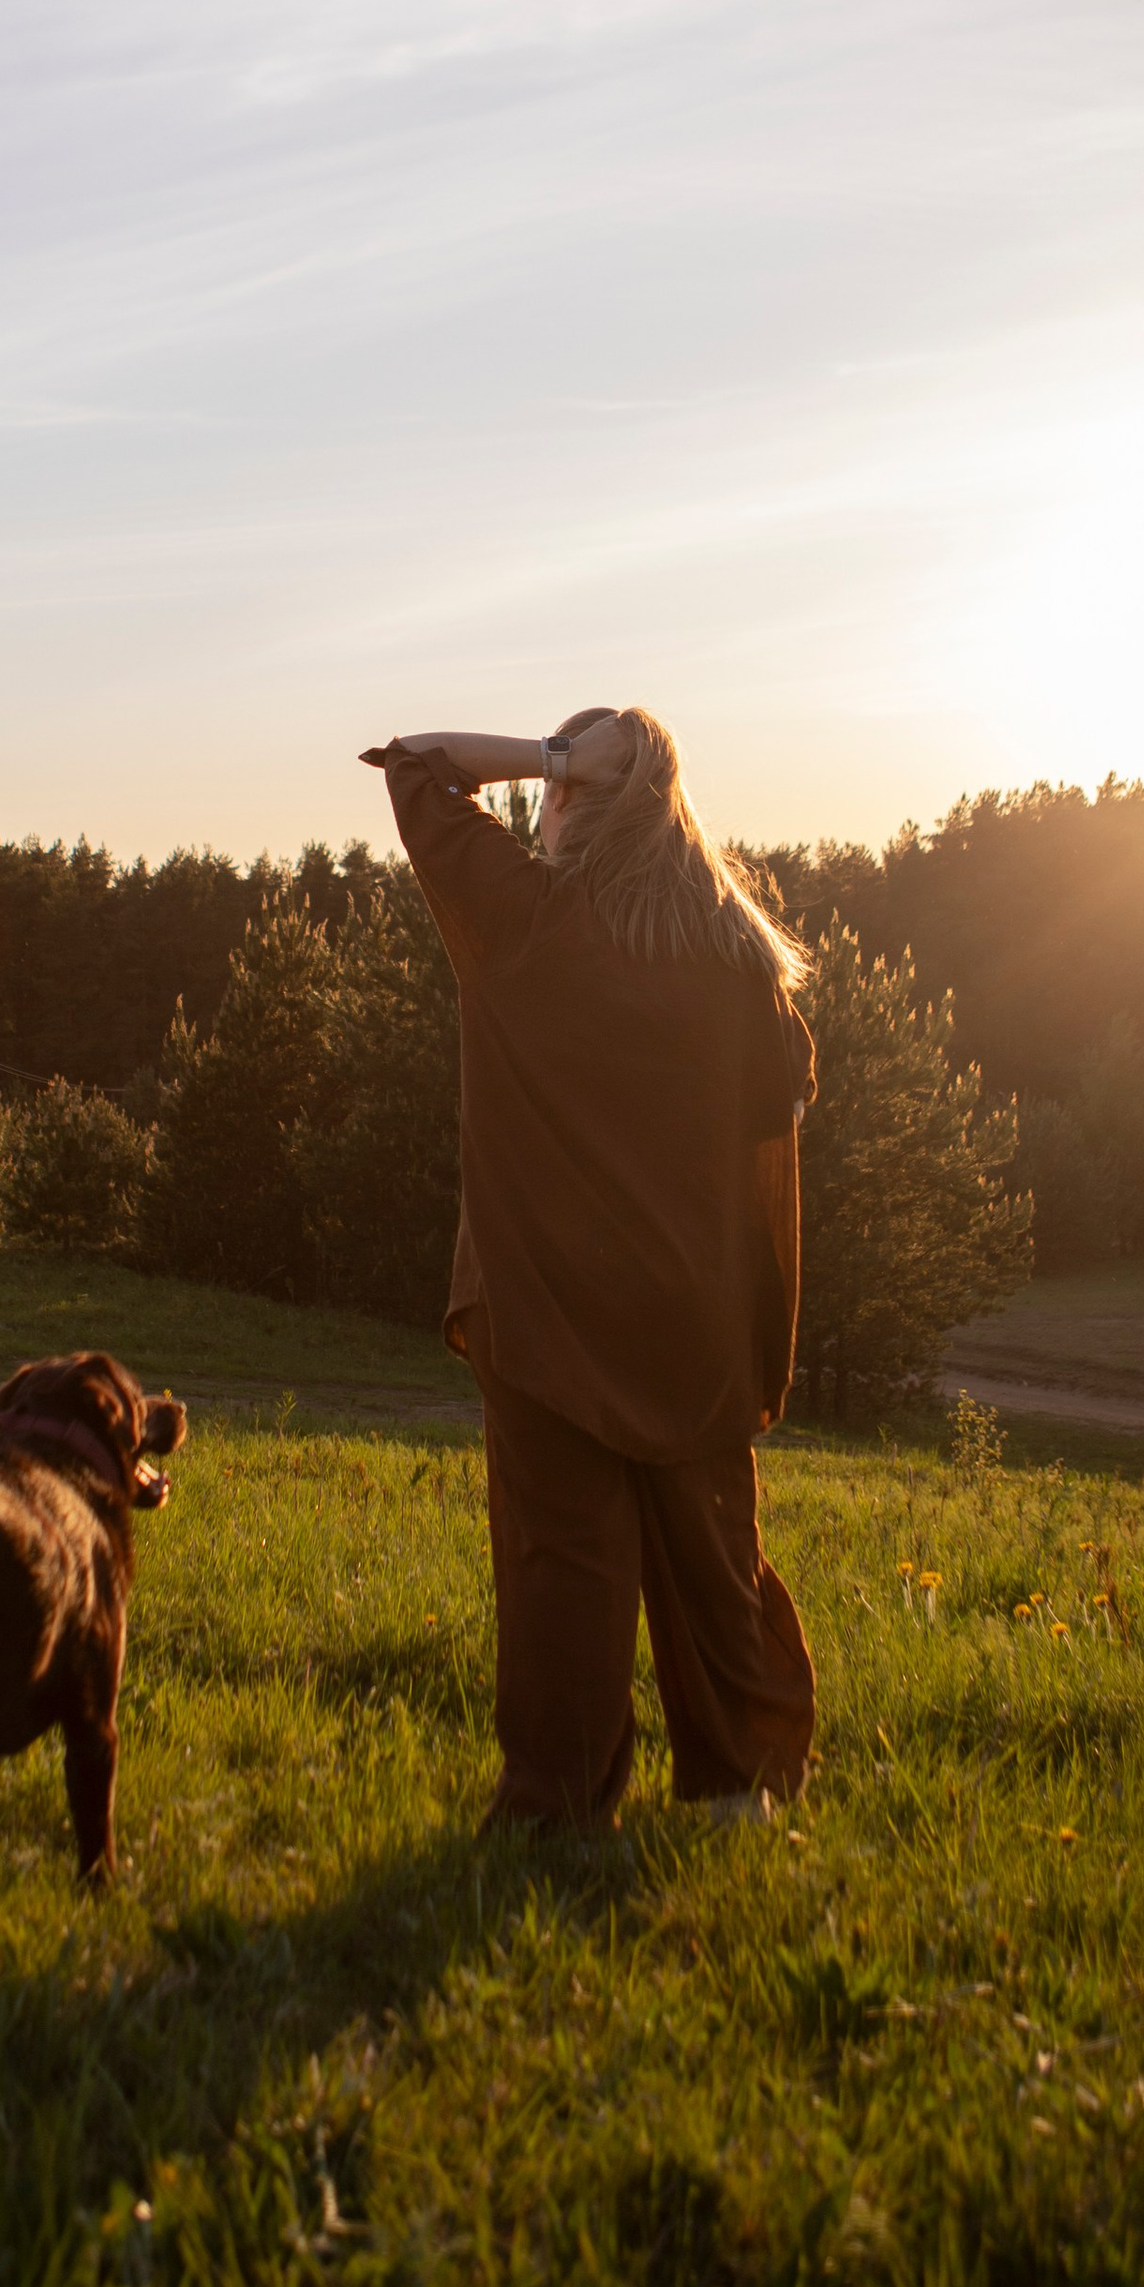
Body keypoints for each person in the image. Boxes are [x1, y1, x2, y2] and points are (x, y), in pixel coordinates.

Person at [361, 709, 818, 1830]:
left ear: (566, 800)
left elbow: (417, 763)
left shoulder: (524, 923)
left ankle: (559, 1809)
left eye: (556, 786)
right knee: (712, 1550)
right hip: (694, 1314)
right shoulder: (735, 960)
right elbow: (785, 1096)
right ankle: (735, 1789)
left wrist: (550, 760)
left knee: (562, 1556)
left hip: (552, 1306)